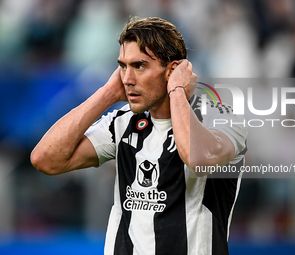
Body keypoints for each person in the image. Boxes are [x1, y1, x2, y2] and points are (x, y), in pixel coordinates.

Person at [31, 17, 247, 255]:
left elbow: (196, 157)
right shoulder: (123, 121)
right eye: (123, 66)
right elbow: (45, 159)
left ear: (173, 70)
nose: (127, 78)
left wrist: (176, 91)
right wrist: (107, 94)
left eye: (139, 66)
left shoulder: (222, 118)